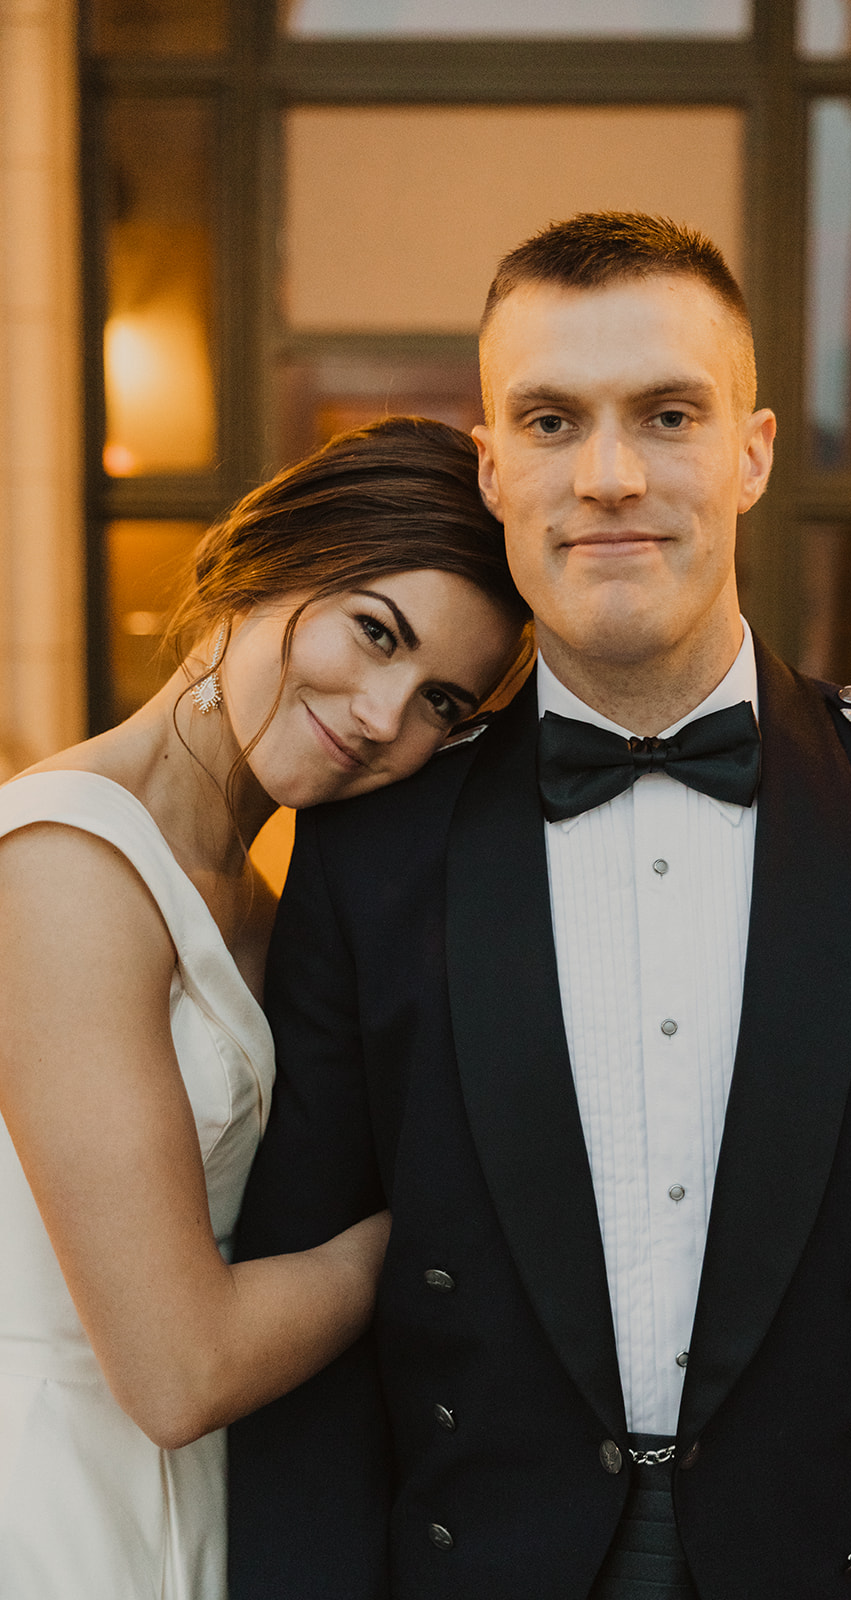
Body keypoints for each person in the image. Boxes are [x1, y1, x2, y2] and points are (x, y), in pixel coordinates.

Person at [228, 214, 851, 1600]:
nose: (607, 475)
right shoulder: (370, 844)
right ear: (491, 468)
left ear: (750, 452)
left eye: (666, 415)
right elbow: (302, 1333)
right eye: (549, 420)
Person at [0, 415, 529, 1600]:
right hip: (55, 1512)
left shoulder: (265, 899)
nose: (385, 715)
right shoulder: (65, 865)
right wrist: (444, 1217)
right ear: (270, 557)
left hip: (202, 1506)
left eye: (442, 702)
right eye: (375, 631)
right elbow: (177, 1367)